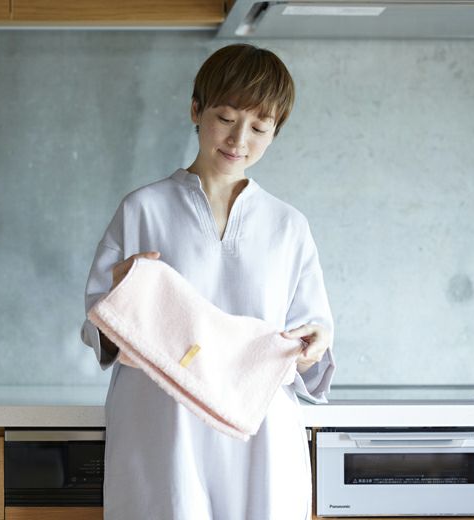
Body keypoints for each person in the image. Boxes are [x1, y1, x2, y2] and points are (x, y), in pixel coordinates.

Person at [80, 43, 336, 520]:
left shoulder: (289, 226)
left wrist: (314, 346)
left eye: (259, 127)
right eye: (226, 118)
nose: (239, 139)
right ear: (196, 111)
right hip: (163, 426)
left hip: (260, 432)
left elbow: (311, 340)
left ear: (276, 131)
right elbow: (99, 332)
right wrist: (116, 301)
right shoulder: (142, 209)